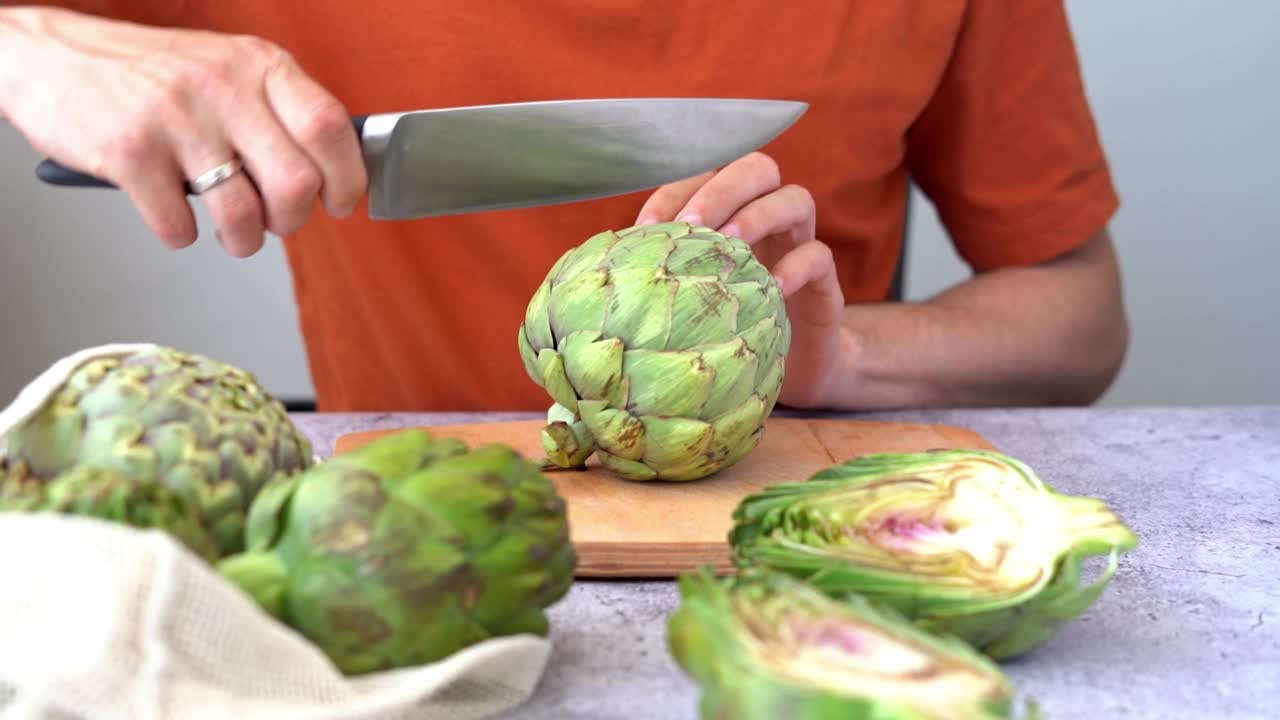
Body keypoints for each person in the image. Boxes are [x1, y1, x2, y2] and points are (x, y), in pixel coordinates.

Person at [0, 1, 1129, 413]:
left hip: (783, 529)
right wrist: (28, 47)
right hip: (406, 549)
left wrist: (852, 364)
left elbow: (1077, 321)